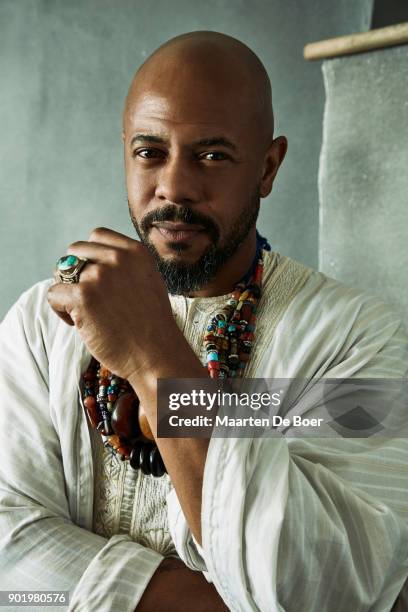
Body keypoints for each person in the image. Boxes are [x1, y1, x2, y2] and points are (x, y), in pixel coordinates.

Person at [0, 30, 407, 612]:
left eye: (212, 155)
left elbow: (332, 587)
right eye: (149, 152)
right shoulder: (43, 326)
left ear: (267, 168)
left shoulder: (357, 338)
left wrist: (155, 359)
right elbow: (9, 562)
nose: (174, 186)